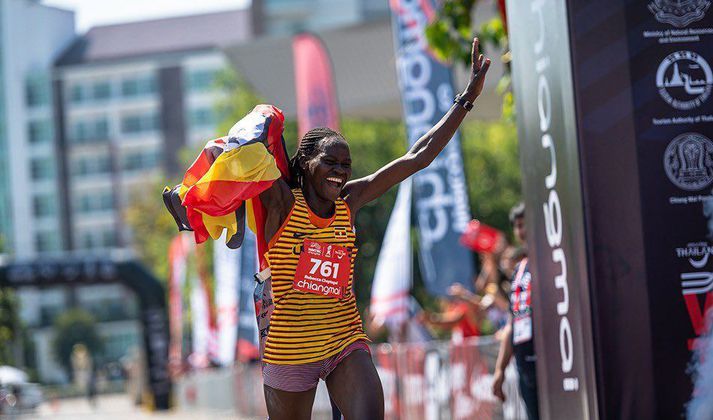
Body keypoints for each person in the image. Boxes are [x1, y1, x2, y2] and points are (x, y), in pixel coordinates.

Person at [251, 38, 490, 419]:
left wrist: (466, 98)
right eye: (331, 162)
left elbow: (418, 156)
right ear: (306, 162)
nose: (340, 172)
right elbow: (247, 157)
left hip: (344, 341)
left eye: (346, 165)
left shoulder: (348, 201)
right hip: (290, 351)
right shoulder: (282, 205)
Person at [492, 202, 539, 420]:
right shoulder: (519, 270)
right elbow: (513, 321)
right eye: (518, 226)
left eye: (525, 224)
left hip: (549, 362)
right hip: (524, 365)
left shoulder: (549, 259)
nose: (522, 231)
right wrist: (500, 369)